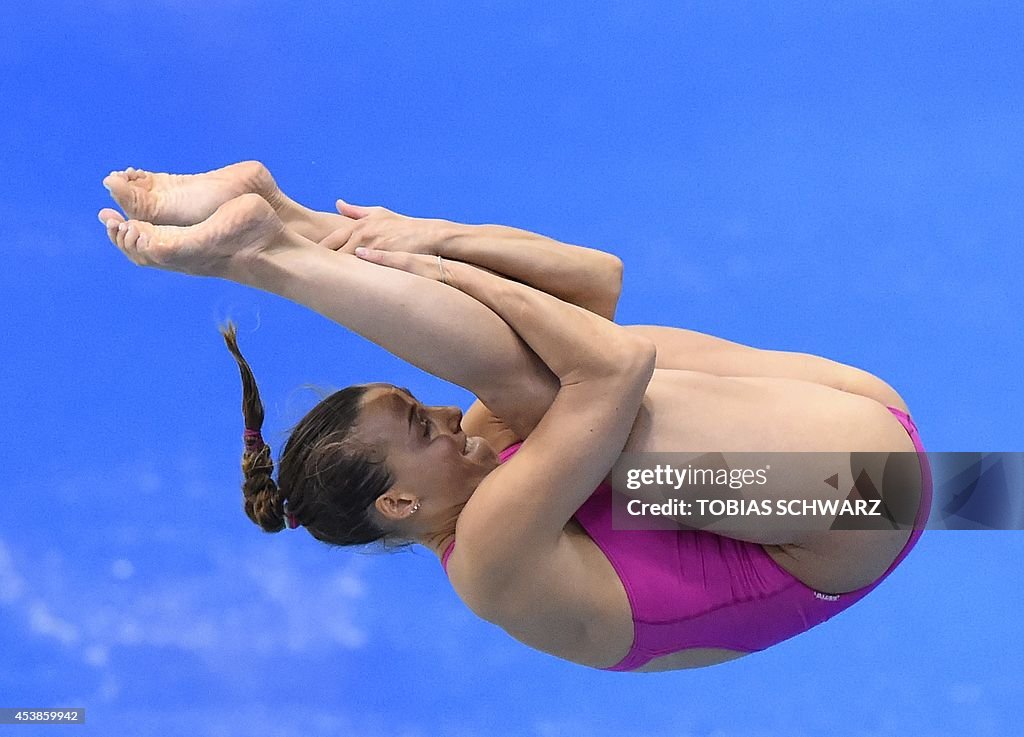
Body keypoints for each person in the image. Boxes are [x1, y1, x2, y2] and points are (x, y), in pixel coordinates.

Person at [98, 161, 932, 672]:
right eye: (420, 430)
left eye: (423, 403)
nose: (448, 417)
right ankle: (270, 255)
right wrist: (450, 272)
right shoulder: (489, 553)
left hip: (866, 428)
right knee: (548, 382)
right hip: (863, 504)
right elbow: (614, 367)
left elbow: (595, 281)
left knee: (541, 369)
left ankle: (290, 229)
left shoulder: (486, 443)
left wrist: (436, 238)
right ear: (398, 506)